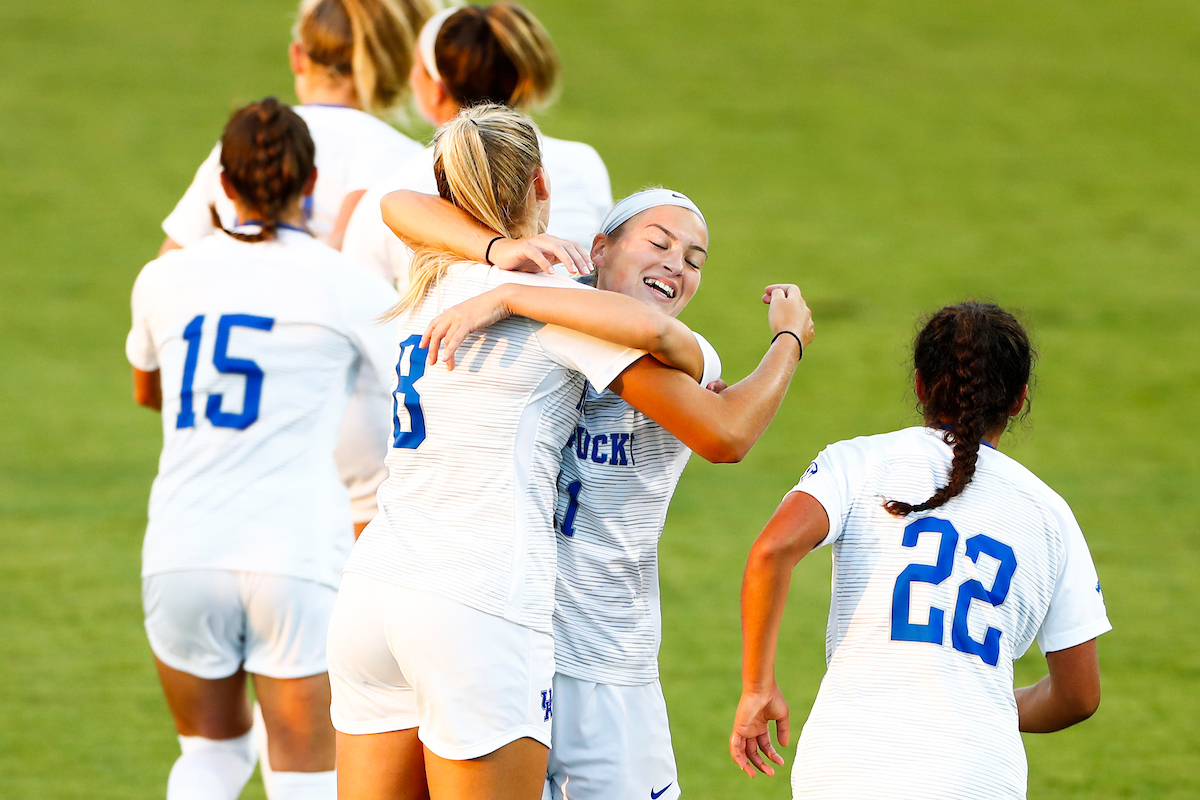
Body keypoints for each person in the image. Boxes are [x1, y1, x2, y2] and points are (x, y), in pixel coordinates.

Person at [325, 104, 811, 800]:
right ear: (544, 186)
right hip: (480, 604)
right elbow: (716, 419)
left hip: (373, 590)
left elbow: (393, 206)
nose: (676, 264)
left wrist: (497, 265)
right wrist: (788, 338)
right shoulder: (563, 308)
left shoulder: (429, 284)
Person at [126, 98, 398, 800]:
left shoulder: (162, 279)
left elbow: (147, 391)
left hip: (182, 548)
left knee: (210, 758)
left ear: (221, 184)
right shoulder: (346, 286)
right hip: (295, 554)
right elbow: (412, 387)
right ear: (311, 185)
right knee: (306, 779)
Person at [731, 302, 1111, 799]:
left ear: (918, 384)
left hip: (846, 766)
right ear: (1018, 400)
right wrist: (979, 701)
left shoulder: (859, 461)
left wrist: (758, 688)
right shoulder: (1051, 514)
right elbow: (1079, 696)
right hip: (979, 775)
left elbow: (770, 551)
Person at [340, 1, 611, 290]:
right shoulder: (584, 162)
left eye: (416, 66)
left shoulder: (389, 191)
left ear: (437, 89)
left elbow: (360, 303)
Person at [159, 0, 436, 253]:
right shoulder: (402, 154)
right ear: (385, 68)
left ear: (297, 56)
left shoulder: (248, 137)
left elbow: (170, 259)